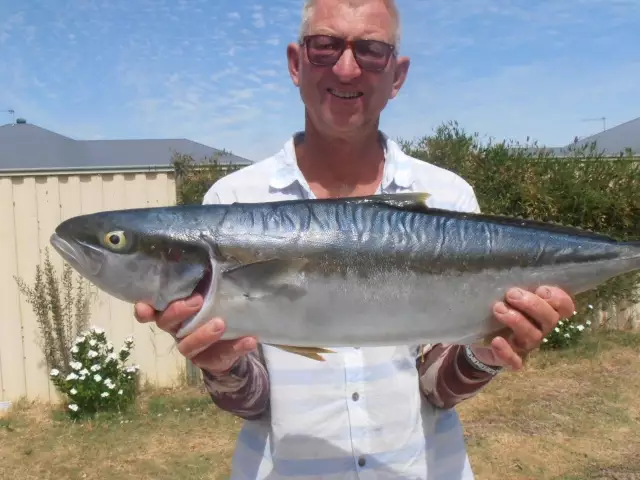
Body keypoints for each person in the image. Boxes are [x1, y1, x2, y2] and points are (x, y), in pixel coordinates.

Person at [135, 0, 575, 478]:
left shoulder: (447, 198)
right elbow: (256, 404)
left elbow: (435, 391)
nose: (346, 69)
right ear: (295, 63)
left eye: (371, 51)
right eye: (324, 46)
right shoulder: (232, 203)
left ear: (397, 75)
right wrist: (222, 366)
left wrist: (483, 353)